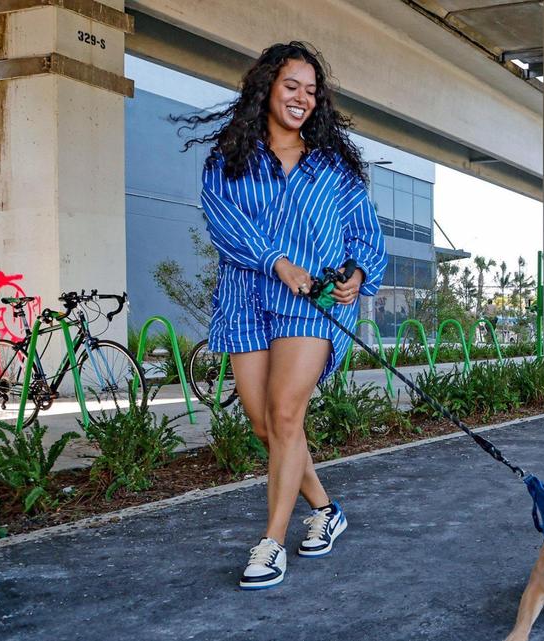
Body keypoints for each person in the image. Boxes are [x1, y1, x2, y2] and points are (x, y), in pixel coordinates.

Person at [177, 41, 387, 589]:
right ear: (267, 86)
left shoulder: (333, 168)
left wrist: (357, 276)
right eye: (292, 86)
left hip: (310, 306)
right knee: (265, 424)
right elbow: (224, 224)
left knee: (287, 415)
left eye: (312, 92)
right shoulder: (228, 160)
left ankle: (270, 542)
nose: (302, 98)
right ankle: (324, 507)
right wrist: (277, 262)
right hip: (246, 297)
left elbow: (367, 235)